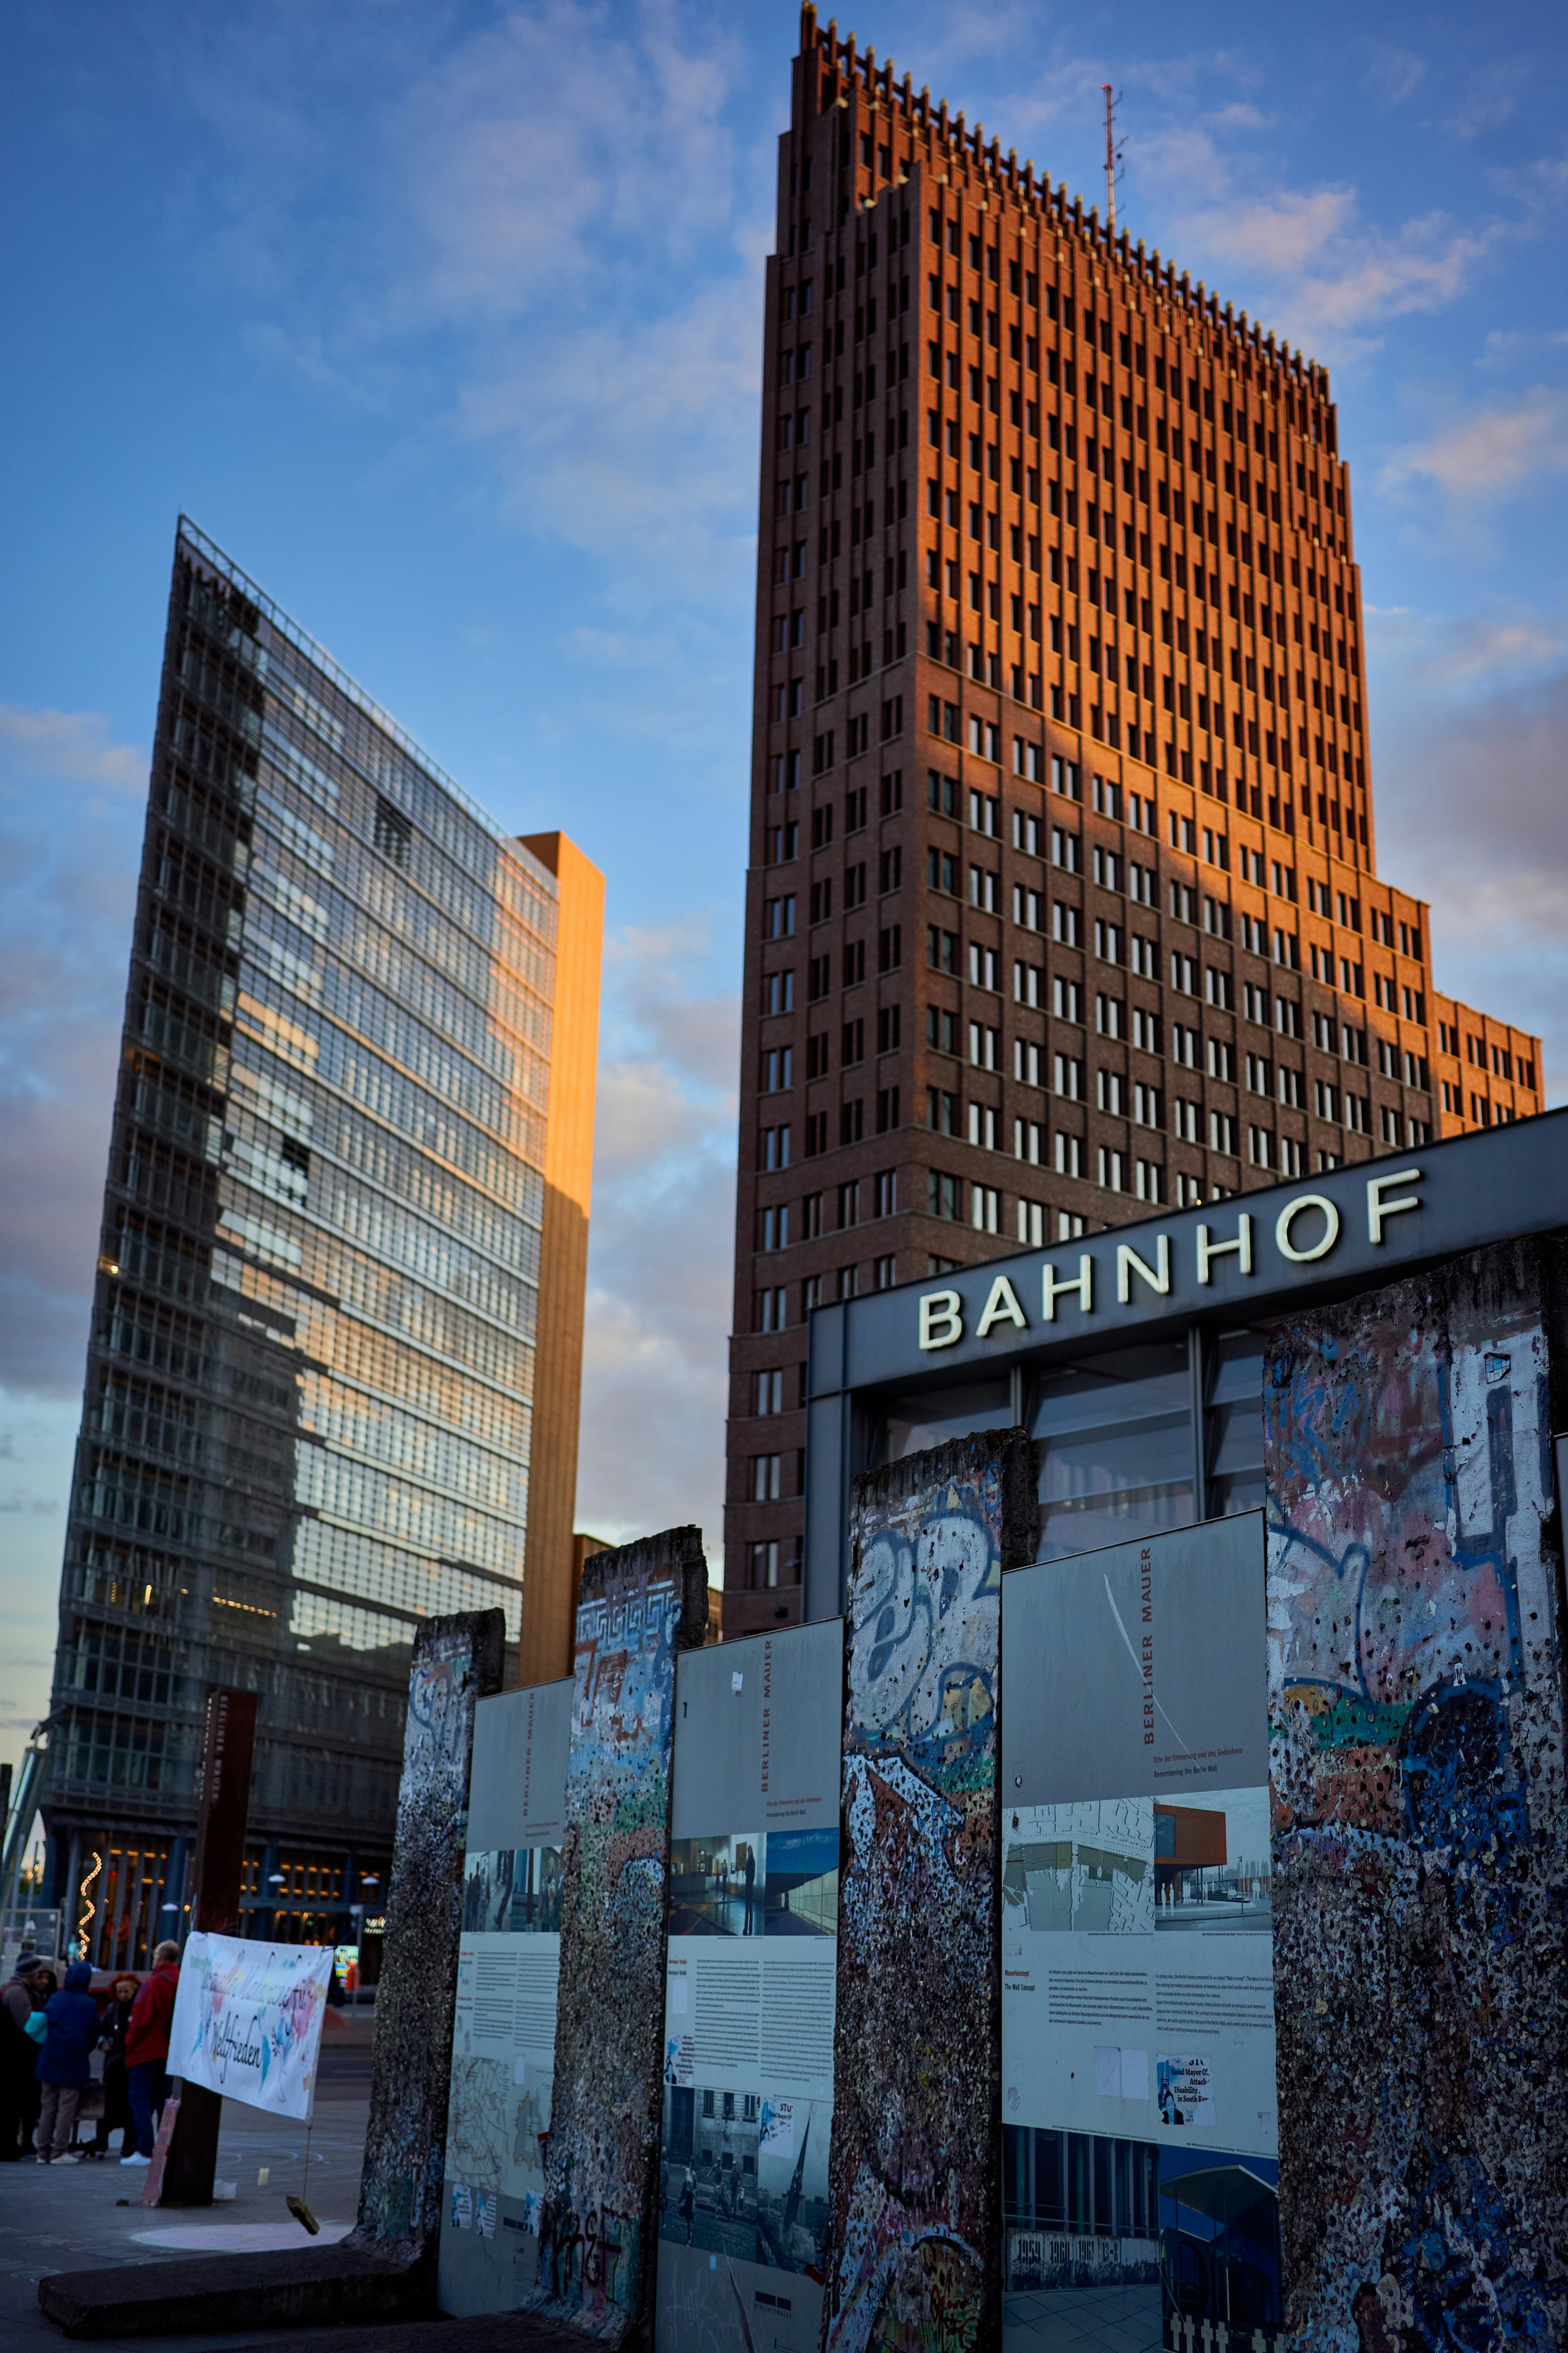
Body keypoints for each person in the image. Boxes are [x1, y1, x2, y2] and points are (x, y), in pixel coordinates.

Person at [35, 1961, 101, 2165]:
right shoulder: (88, 2003)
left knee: (48, 2107)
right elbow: (94, 2033)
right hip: (73, 2059)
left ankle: (42, 2151)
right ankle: (59, 2151)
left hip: (50, 2056)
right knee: (66, 2107)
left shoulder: (56, 1998)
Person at [123, 1939, 180, 2166]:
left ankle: (145, 2150)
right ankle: (165, 2148)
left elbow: (141, 2019)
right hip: (168, 2048)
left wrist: (130, 2043)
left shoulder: (155, 1982)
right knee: (163, 2100)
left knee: (139, 2098)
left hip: (147, 2048)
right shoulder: (181, 1980)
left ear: (159, 1957)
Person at [0, 1959, 49, 2160]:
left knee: (19, 2102)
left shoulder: (14, 1989)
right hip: (15, 2057)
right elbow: (26, 2024)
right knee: (13, 2103)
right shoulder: (18, 1992)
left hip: (15, 2055)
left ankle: (18, 2144)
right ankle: (8, 2147)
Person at [92, 1976, 140, 2157]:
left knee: (130, 2104)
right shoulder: (113, 2009)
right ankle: (101, 2140)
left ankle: (129, 2142)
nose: (123, 1995)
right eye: (120, 1991)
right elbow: (101, 2030)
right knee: (108, 2102)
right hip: (114, 2063)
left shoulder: (138, 2008)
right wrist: (102, 2043)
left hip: (130, 2062)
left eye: (127, 1991)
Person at [743, 1842, 756, 1935]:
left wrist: (746, 1871)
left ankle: (749, 1927)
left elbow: (750, 1874)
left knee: (749, 1906)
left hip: (749, 1885)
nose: (748, 1853)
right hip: (749, 1884)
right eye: (748, 1851)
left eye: (749, 1851)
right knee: (748, 1905)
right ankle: (748, 1927)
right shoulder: (751, 1861)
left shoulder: (751, 1861)